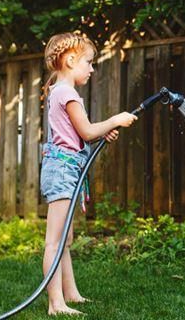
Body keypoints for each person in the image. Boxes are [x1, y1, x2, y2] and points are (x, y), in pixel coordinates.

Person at [40, 32, 137, 316]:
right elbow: (86, 131)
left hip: (67, 169)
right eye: (89, 63)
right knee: (54, 241)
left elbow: (79, 136)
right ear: (70, 60)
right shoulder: (67, 94)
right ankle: (55, 304)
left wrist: (102, 133)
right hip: (62, 171)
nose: (92, 69)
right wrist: (113, 121)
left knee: (65, 240)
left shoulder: (60, 92)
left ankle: (71, 294)